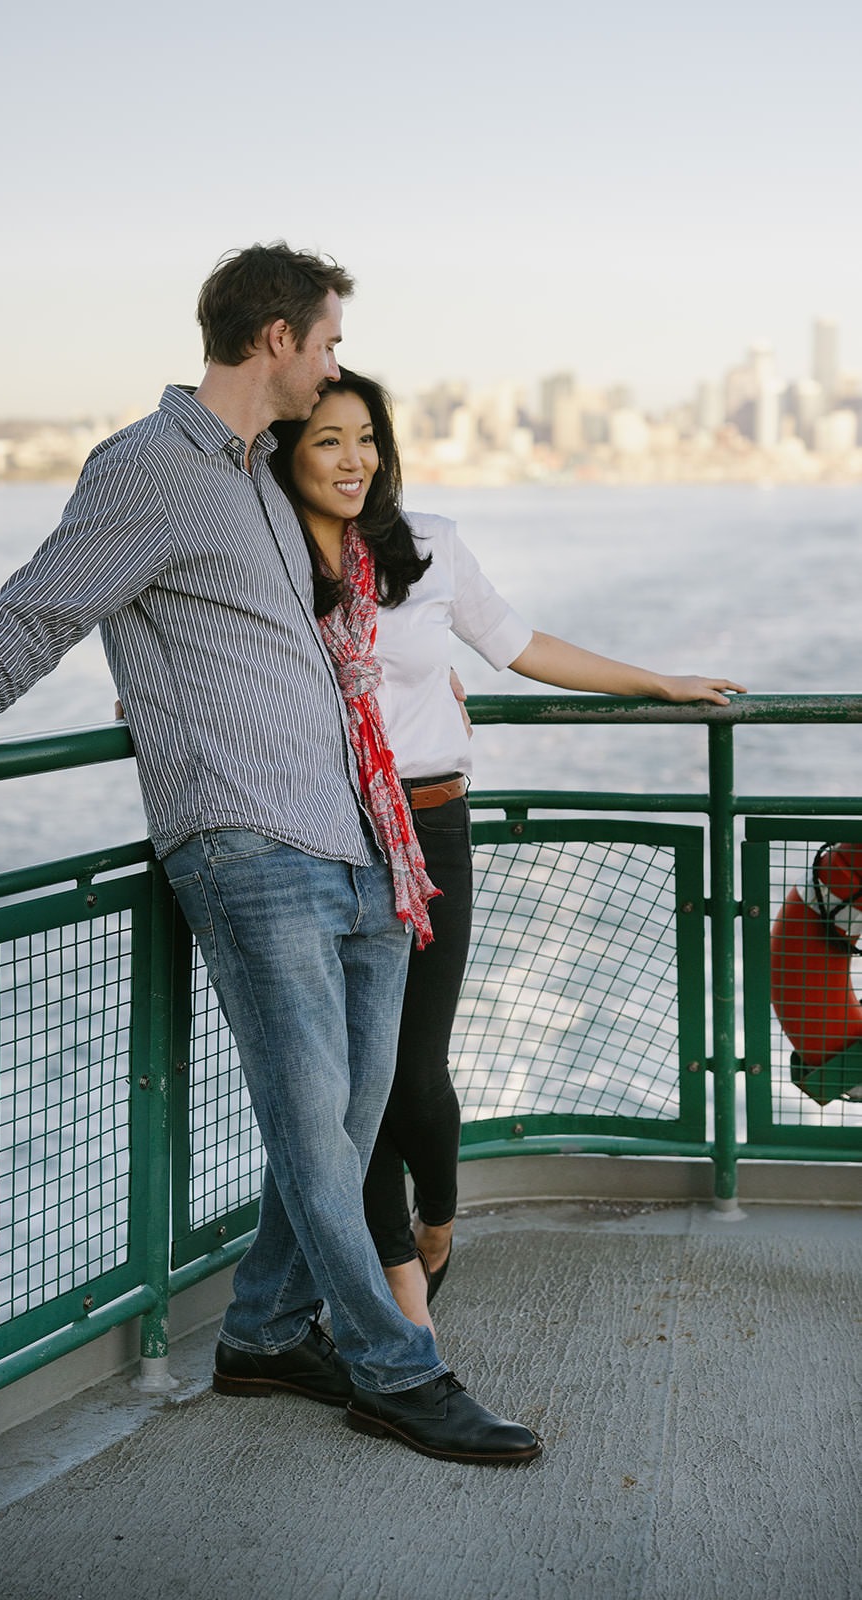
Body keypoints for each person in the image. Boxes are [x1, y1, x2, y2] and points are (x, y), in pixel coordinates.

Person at [0, 245, 542, 1466]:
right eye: (325, 344)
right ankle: (395, 1365)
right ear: (275, 338)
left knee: (345, 1113)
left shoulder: (266, 483)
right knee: (313, 1123)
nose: (334, 367)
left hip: (358, 837)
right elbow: (43, 601)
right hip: (245, 845)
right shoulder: (147, 469)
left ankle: (266, 1332)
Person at [269, 368, 745, 1334]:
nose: (352, 458)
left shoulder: (429, 547)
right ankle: (403, 1283)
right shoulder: (267, 566)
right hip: (320, 829)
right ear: (286, 452)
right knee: (345, 1085)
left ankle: (435, 1224)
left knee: (410, 1073)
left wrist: (654, 684)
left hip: (428, 822)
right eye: (326, 440)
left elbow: (519, 646)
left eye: (364, 437)